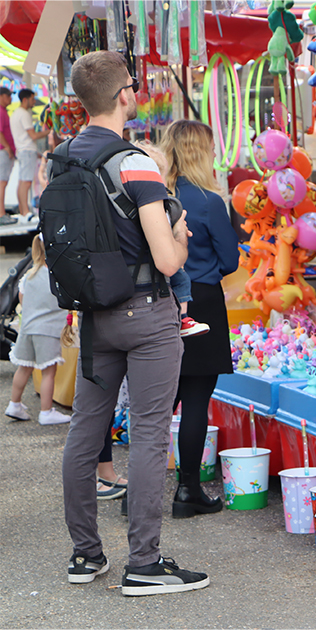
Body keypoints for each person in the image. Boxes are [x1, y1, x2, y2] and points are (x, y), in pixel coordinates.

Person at [57, 51, 208, 595]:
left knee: (85, 431)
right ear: (126, 95)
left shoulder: (63, 159)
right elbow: (168, 261)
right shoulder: (135, 162)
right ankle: (144, 563)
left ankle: (85, 555)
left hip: (94, 315)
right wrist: (182, 233)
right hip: (146, 312)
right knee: (146, 432)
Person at [159, 120, 239, 519]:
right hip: (203, 301)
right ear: (201, 152)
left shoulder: (154, 196)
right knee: (194, 401)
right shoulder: (209, 201)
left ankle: (136, 490)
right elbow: (231, 260)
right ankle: (187, 490)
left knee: (157, 402)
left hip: (160, 300)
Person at [134, 140, 210, 337]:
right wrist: (179, 232)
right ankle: (182, 316)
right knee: (181, 277)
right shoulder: (160, 203)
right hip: (159, 259)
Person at [4, 234, 72, 425]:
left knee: (24, 367)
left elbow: (23, 302)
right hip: (48, 331)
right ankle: (46, 411)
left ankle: (14, 404)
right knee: (49, 371)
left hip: (27, 330)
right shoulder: (59, 276)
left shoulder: (29, 275)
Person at [11, 88, 45, 219]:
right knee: (25, 182)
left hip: (22, 150)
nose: (34, 101)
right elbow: (33, 135)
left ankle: (22, 210)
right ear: (25, 99)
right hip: (27, 150)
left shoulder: (16, 113)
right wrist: (48, 131)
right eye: (32, 99)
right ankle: (25, 211)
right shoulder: (24, 114)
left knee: (22, 181)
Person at [0, 87, 15, 214]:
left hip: (5, 151)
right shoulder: (0, 112)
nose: (10, 98)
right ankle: (1, 213)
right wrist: (7, 147)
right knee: (2, 182)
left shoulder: (3, 111)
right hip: (3, 151)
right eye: (8, 95)